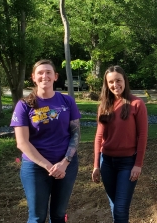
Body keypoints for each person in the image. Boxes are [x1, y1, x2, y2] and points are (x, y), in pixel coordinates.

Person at [10, 59, 81, 223]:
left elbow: (75, 134)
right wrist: (49, 166)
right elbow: (22, 142)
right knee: (37, 217)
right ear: (33, 77)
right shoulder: (24, 105)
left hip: (66, 166)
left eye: (48, 72)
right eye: (40, 73)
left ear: (55, 76)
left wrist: (65, 163)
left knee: (58, 214)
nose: (44, 76)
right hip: (35, 168)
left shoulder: (67, 101)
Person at [92, 65, 148, 223]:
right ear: (106, 84)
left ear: (125, 81)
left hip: (127, 163)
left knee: (121, 208)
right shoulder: (104, 105)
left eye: (118, 80)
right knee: (115, 205)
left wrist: (138, 165)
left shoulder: (136, 104)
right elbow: (98, 137)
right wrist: (96, 165)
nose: (115, 85)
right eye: (110, 82)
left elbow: (143, 135)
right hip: (107, 163)